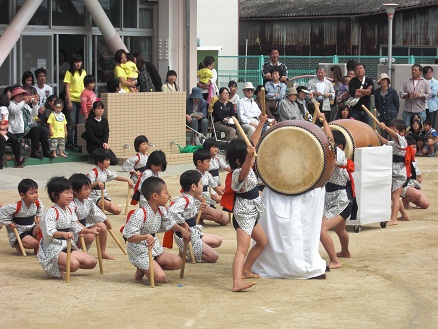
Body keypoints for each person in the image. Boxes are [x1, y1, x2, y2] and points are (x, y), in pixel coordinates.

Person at [225, 113, 268, 292]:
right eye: (248, 156)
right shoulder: (237, 173)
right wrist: (249, 157)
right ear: (238, 160)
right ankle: (236, 282)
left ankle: (246, 269)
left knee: (262, 242)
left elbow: (253, 143)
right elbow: (244, 170)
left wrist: (261, 123)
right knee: (242, 249)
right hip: (243, 214)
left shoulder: (245, 164)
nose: (252, 154)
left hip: (251, 211)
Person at [122, 176, 191, 284]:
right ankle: (144, 267)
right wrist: (145, 236)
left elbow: (169, 223)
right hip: (139, 249)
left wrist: (182, 229)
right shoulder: (140, 213)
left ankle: (149, 267)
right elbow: (129, 236)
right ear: (155, 196)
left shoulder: (161, 210)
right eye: (165, 193)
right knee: (160, 278)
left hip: (153, 247)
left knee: (178, 262)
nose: (168, 196)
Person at [37, 176, 100, 279]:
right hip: (53, 247)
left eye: (71, 193)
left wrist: (90, 230)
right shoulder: (51, 212)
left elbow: (75, 226)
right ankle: (55, 267)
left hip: (67, 245)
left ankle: (66, 261)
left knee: (92, 262)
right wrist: (63, 234)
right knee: (74, 265)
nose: (70, 196)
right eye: (66, 193)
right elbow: (49, 232)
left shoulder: (69, 210)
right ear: (54, 195)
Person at [318, 113, 353, 269]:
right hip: (333, 199)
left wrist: (325, 121)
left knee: (321, 230)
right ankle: (345, 252)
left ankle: (335, 261)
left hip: (341, 200)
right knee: (340, 230)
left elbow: (330, 142)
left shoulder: (339, 155)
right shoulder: (330, 157)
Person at [166, 170, 223, 263]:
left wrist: (198, 209)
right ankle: (189, 251)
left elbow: (187, 214)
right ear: (193, 186)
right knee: (214, 257)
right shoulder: (184, 200)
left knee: (218, 241)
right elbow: (172, 212)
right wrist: (183, 223)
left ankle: (193, 250)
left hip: (194, 233)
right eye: (200, 183)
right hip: (187, 237)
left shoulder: (189, 198)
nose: (202, 186)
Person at [69, 173, 114, 260]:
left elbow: (97, 213)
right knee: (89, 236)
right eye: (85, 189)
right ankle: (73, 251)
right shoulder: (71, 203)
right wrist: (86, 230)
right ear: (74, 190)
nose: (88, 191)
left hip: (84, 225)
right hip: (73, 230)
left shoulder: (88, 201)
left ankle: (102, 252)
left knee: (102, 226)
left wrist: (106, 221)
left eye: (89, 188)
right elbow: (73, 221)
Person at [377, 119, 408, 226]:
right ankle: (404, 214)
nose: (392, 132)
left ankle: (393, 218)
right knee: (393, 196)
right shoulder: (394, 143)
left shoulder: (402, 141)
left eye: (394, 130)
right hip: (394, 174)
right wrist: (376, 134)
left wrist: (385, 128)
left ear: (402, 132)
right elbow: (386, 142)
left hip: (400, 175)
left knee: (395, 196)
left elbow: (395, 136)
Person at [0, 179, 43, 254]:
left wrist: (38, 216)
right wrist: (9, 224)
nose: (35, 195)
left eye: (36, 192)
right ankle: (17, 244)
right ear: (22, 195)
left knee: (42, 226)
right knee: (34, 243)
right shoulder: (16, 206)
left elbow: (41, 208)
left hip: (31, 227)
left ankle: (37, 253)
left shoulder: (37, 202)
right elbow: (2, 212)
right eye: (32, 193)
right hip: (20, 231)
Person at [8, 87, 52, 159]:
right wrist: (24, 101)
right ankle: (34, 152)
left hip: (28, 127)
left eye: (22, 95)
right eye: (18, 95)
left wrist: (35, 105)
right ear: (14, 96)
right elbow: (13, 110)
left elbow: (33, 115)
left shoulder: (25, 105)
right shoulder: (11, 104)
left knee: (41, 129)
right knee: (36, 129)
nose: (21, 96)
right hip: (18, 129)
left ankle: (46, 150)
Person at [87, 148, 134, 215]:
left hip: (104, 195)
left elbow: (115, 176)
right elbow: (87, 186)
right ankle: (94, 207)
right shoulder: (93, 173)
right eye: (107, 160)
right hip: (94, 196)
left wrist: (127, 180)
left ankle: (98, 208)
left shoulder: (106, 171)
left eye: (109, 159)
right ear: (99, 162)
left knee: (118, 211)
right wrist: (97, 183)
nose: (109, 162)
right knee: (108, 204)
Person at [193, 148, 228, 225]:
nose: (209, 164)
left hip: (207, 203)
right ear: (199, 162)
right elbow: (193, 192)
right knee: (219, 215)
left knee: (225, 221)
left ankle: (200, 216)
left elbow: (215, 187)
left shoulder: (207, 174)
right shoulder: (194, 175)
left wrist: (225, 196)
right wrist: (202, 200)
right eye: (207, 161)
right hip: (198, 203)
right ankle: (195, 214)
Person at [82, 100, 118, 165]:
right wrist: (102, 143)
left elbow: (106, 133)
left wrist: (105, 142)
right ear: (94, 110)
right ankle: (92, 157)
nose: (101, 110)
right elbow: (91, 137)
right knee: (101, 162)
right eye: (98, 109)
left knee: (113, 161)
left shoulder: (105, 121)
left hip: (103, 145)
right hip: (93, 146)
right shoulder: (89, 122)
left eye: (102, 109)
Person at [400, 135, 430, 211]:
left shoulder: (414, 160)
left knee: (425, 204)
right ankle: (405, 200)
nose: (415, 149)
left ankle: (410, 196)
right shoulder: (401, 158)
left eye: (415, 147)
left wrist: (419, 177)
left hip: (413, 184)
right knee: (416, 195)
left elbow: (417, 173)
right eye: (412, 147)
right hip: (403, 185)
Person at [64, 54, 86, 150]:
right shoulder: (69, 73)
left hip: (81, 99)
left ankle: (79, 142)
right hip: (72, 99)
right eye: (76, 62)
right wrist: (68, 101)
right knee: (71, 122)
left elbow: (85, 86)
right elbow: (67, 88)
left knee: (80, 122)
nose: (78, 64)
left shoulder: (84, 72)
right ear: (72, 63)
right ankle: (69, 142)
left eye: (79, 62)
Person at [0, 95, 24, 169]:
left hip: (3, 130)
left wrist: (4, 128)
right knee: (2, 140)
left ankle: (18, 160)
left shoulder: (4, 110)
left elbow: (5, 123)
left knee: (14, 139)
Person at [374, 73, 400, 140]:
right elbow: (377, 104)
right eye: (381, 80)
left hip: (392, 116)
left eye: (385, 80)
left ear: (388, 81)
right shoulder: (377, 92)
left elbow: (397, 104)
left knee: (392, 134)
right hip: (382, 116)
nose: (383, 82)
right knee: (383, 134)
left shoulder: (393, 91)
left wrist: (394, 112)